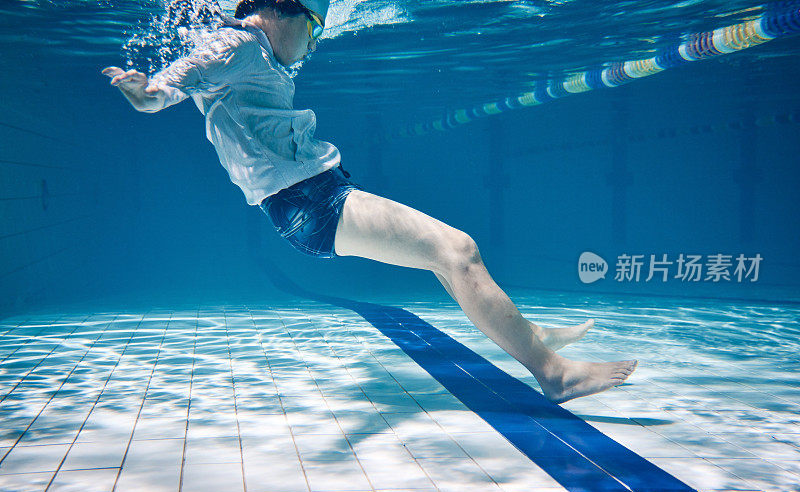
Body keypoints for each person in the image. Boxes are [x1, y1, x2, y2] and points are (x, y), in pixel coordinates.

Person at [102, 0, 637, 404]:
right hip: (309, 201)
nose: (313, 46)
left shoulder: (251, 50)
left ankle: (530, 336)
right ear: (284, 11)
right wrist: (145, 93)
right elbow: (165, 90)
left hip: (311, 198)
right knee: (458, 251)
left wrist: (152, 93)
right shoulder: (237, 45)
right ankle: (553, 372)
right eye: (314, 29)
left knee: (443, 258)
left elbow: (179, 85)